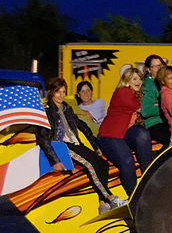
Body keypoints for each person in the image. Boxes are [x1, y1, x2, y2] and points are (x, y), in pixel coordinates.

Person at [36, 78, 124, 214]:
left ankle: (103, 204)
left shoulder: (67, 108)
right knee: (90, 165)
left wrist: (95, 145)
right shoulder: (47, 111)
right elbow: (43, 139)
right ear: (51, 92)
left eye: (63, 92)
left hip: (75, 143)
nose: (61, 95)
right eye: (57, 91)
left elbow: (83, 126)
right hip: (61, 145)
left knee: (103, 164)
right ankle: (111, 198)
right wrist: (54, 160)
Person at [98, 68, 153, 197]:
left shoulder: (136, 94)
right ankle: (134, 197)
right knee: (128, 161)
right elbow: (144, 109)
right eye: (134, 79)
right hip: (110, 136)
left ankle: (148, 175)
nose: (138, 82)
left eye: (140, 79)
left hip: (124, 133)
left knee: (142, 133)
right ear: (126, 81)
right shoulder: (123, 92)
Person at [142, 48, 172, 150]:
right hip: (154, 123)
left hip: (168, 120)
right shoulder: (148, 85)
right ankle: (159, 162)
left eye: (160, 65)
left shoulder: (166, 78)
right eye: (154, 66)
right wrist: (164, 106)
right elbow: (146, 111)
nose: (158, 68)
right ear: (148, 69)